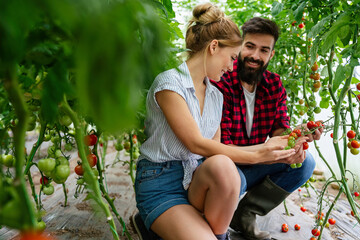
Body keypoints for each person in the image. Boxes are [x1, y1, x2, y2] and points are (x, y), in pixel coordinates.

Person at [131, 4, 300, 240]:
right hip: (161, 184)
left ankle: (205, 233)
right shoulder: (170, 85)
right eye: (231, 57)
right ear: (213, 47)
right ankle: (165, 223)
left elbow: (216, 152)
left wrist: (271, 148)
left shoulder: (215, 95)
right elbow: (196, 144)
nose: (232, 66)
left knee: (223, 165)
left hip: (194, 182)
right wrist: (260, 154)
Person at [211, 17, 323, 240]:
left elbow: (280, 133)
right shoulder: (221, 82)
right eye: (250, 46)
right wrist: (266, 154)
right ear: (240, 46)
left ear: (271, 55)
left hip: (255, 163)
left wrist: (297, 135)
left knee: (305, 163)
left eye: (264, 50)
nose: (255, 56)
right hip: (223, 167)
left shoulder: (273, 84)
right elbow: (219, 147)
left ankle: (245, 214)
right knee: (227, 178)